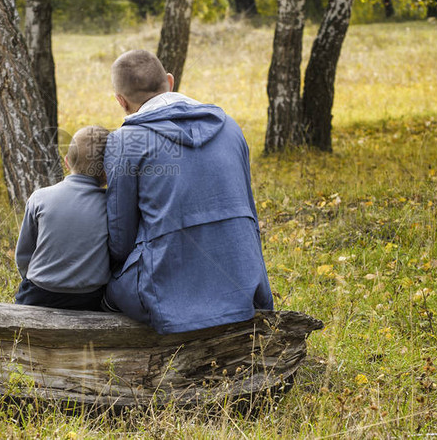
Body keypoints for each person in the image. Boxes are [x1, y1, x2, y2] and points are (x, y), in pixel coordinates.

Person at [102, 49, 274, 334]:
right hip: (245, 284)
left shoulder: (125, 141)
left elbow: (120, 242)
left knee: (101, 291)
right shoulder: (230, 127)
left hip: (165, 296)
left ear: (121, 101)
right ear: (169, 81)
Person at [14, 125, 111, 310]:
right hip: (89, 298)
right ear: (107, 170)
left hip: (38, 294)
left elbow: (24, 255)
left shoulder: (39, 198)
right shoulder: (111, 205)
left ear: (66, 162)